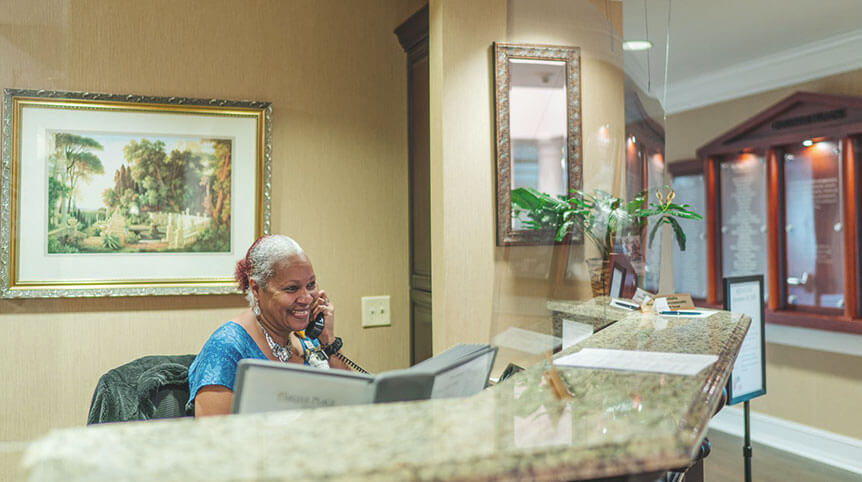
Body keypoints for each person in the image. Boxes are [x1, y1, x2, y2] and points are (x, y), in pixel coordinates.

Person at [188, 234, 351, 417]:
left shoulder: (306, 340)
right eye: (291, 288)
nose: (306, 298)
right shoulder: (225, 350)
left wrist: (328, 340)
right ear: (257, 289)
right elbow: (215, 437)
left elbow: (354, 406)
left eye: (311, 284)